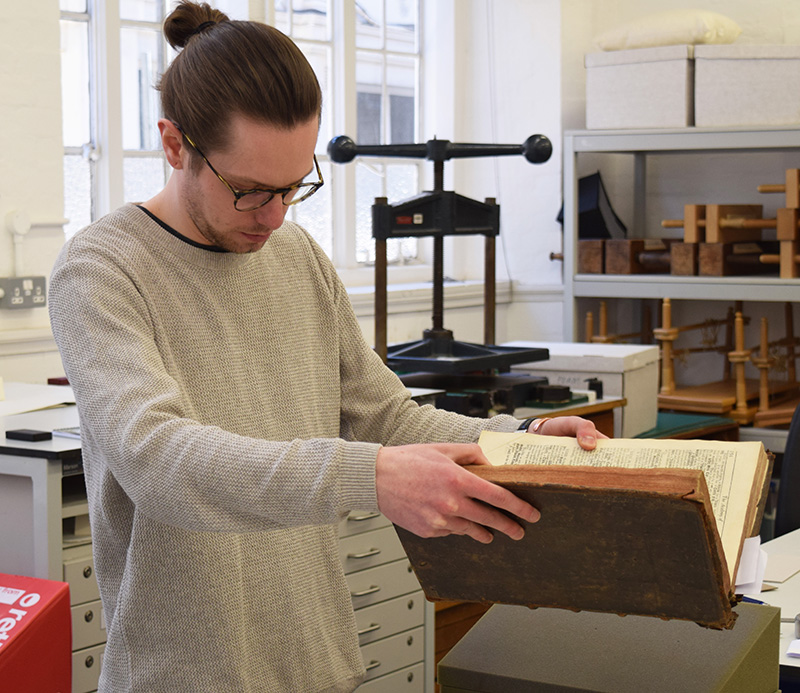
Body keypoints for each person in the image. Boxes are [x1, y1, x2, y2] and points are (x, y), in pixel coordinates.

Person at [48, 2, 604, 691]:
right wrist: (370, 476)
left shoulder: (296, 253)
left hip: (317, 663)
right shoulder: (100, 269)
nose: (275, 217)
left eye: (293, 187)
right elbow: (159, 459)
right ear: (174, 145)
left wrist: (521, 439)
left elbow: (390, 418)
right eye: (249, 192)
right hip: (183, 675)